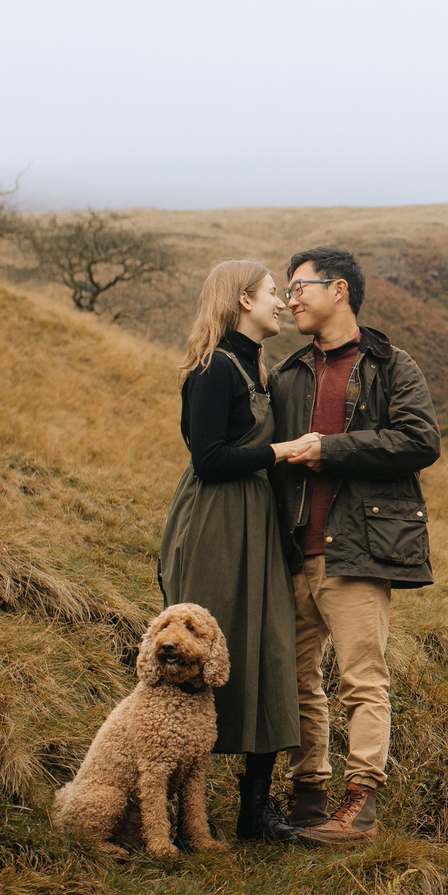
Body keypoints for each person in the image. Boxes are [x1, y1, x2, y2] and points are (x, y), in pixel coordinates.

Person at [266, 245, 442, 846]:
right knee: (296, 678)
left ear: (338, 289)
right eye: (287, 291)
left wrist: (333, 448)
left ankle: (360, 807)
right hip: (293, 550)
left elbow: (421, 440)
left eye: (300, 288)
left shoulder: (393, 365)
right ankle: (309, 797)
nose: (291, 299)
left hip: (360, 549)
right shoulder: (286, 375)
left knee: (361, 680)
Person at [157, 260, 322, 843]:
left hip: (256, 527)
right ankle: (174, 819)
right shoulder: (212, 369)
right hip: (215, 528)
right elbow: (209, 459)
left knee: (268, 657)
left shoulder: (255, 365)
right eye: (273, 293)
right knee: (190, 669)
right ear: (243, 301)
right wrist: (282, 451)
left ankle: (253, 818)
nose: (281, 303)